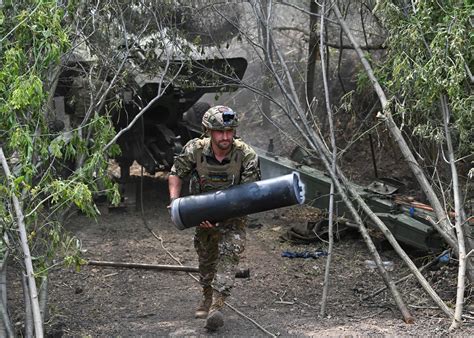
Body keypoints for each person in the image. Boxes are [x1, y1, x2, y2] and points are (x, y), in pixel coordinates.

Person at [168, 105, 260, 331]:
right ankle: (207, 297)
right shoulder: (195, 150)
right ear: (208, 130)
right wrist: (175, 202)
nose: (226, 137)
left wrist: (223, 216)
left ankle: (217, 306)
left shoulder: (246, 155)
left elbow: (248, 195)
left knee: (228, 257)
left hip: (233, 217)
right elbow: (176, 173)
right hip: (202, 214)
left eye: (230, 131)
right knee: (206, 261)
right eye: (220, 132)